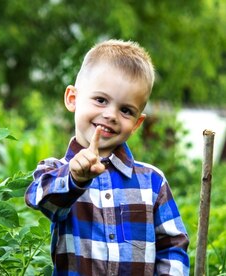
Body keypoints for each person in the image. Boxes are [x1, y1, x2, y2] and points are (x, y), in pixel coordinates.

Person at [24, 39, 189, 275]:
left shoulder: (152, 182)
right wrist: (75, 178)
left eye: (126, 110)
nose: (110, 115)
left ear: (136, 123)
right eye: (101, 100)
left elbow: (172, 245)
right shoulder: (55, 170)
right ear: (72, 98)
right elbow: (43, 200)